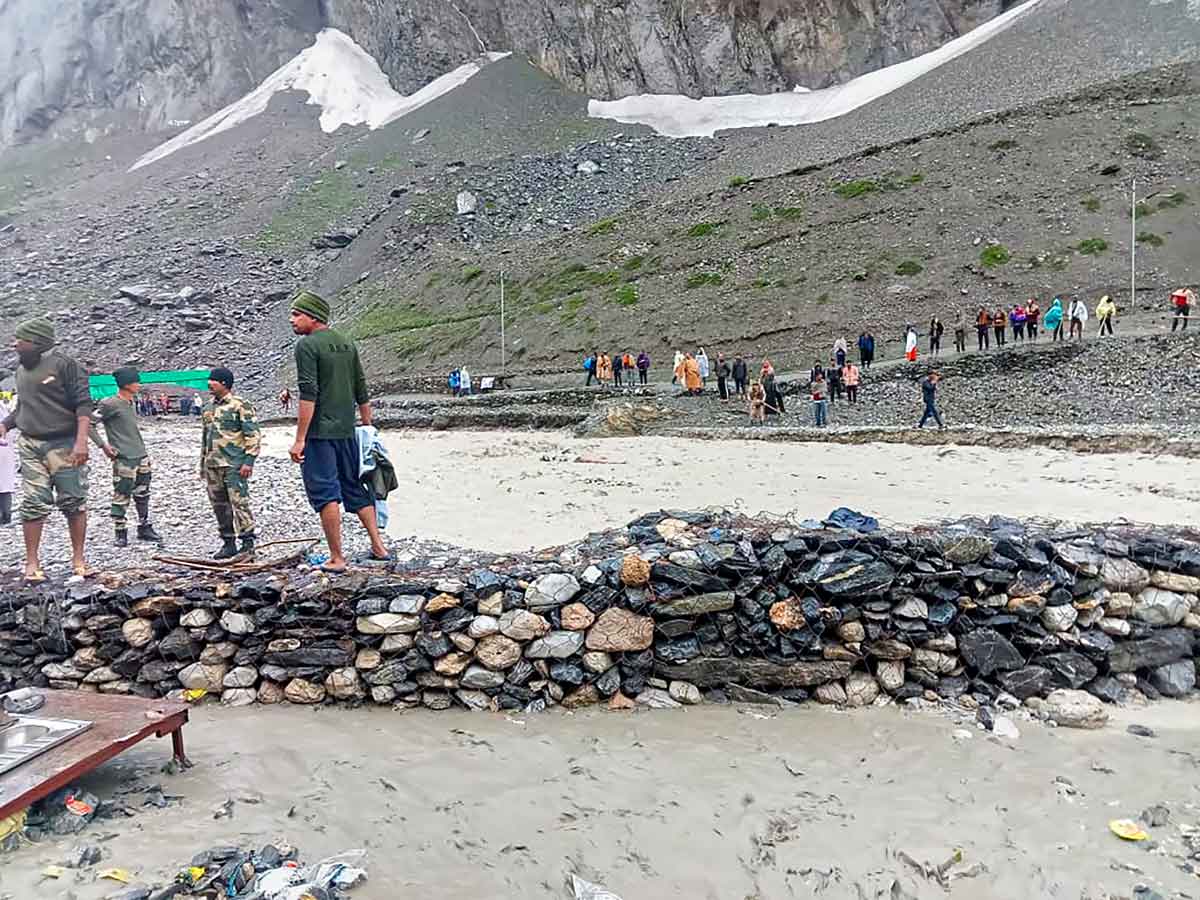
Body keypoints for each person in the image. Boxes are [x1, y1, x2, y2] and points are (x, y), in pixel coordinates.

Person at [288, 290, 391, 572]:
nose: (292, 320)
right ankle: (379, 546)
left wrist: (299, 440)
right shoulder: (347, 343)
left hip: (320, 434)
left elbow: (308, 394)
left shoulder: (307, 346)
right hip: (348, 432)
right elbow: (361, 386)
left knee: (326, 493)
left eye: (297, 314)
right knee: (354, 487)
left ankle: (337, 558)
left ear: (314, 316)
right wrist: (367, 426)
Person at [0, 318, 93, 581]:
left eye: (22, 340)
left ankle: (78, 559)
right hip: (30, 444)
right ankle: (32, 563)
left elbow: (84, 405)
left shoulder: (65, 365)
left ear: (38, 342)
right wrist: (6, 424)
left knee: (73, 501)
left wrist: (82, 441)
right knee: (32, 503)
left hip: (63, 443)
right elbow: (23, 407)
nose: (15, 344)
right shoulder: (20, 369)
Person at [89, 367, 161, 547]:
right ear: (127, 384)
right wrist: (103, 446)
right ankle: (120, 531)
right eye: (136, 382)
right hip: (124, 458)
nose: (139, 385)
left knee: (143, 493)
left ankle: (144, 526)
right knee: (122, 494)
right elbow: (88, 424)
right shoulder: (109, 404)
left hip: (141, 455)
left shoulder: (130, 402)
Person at [200, 366, 259, 560]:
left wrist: (249, 461)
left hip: (234, 464)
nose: (209, 383)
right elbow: (205, 438)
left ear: (224, 383)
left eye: (213, 380)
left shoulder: (240, 405)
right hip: (213, 465)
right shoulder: (208, 408)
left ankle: (248, 542)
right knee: (219, 505)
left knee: (239, 503)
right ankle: (228, 543)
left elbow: (252, 434)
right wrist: (203, 464)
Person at [0, 393, 16, 527]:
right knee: (5, 483)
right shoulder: (3, 408)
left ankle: (5, 516)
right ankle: (6, 516)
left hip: (3, 448)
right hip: (5, 448)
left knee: (4, 483)